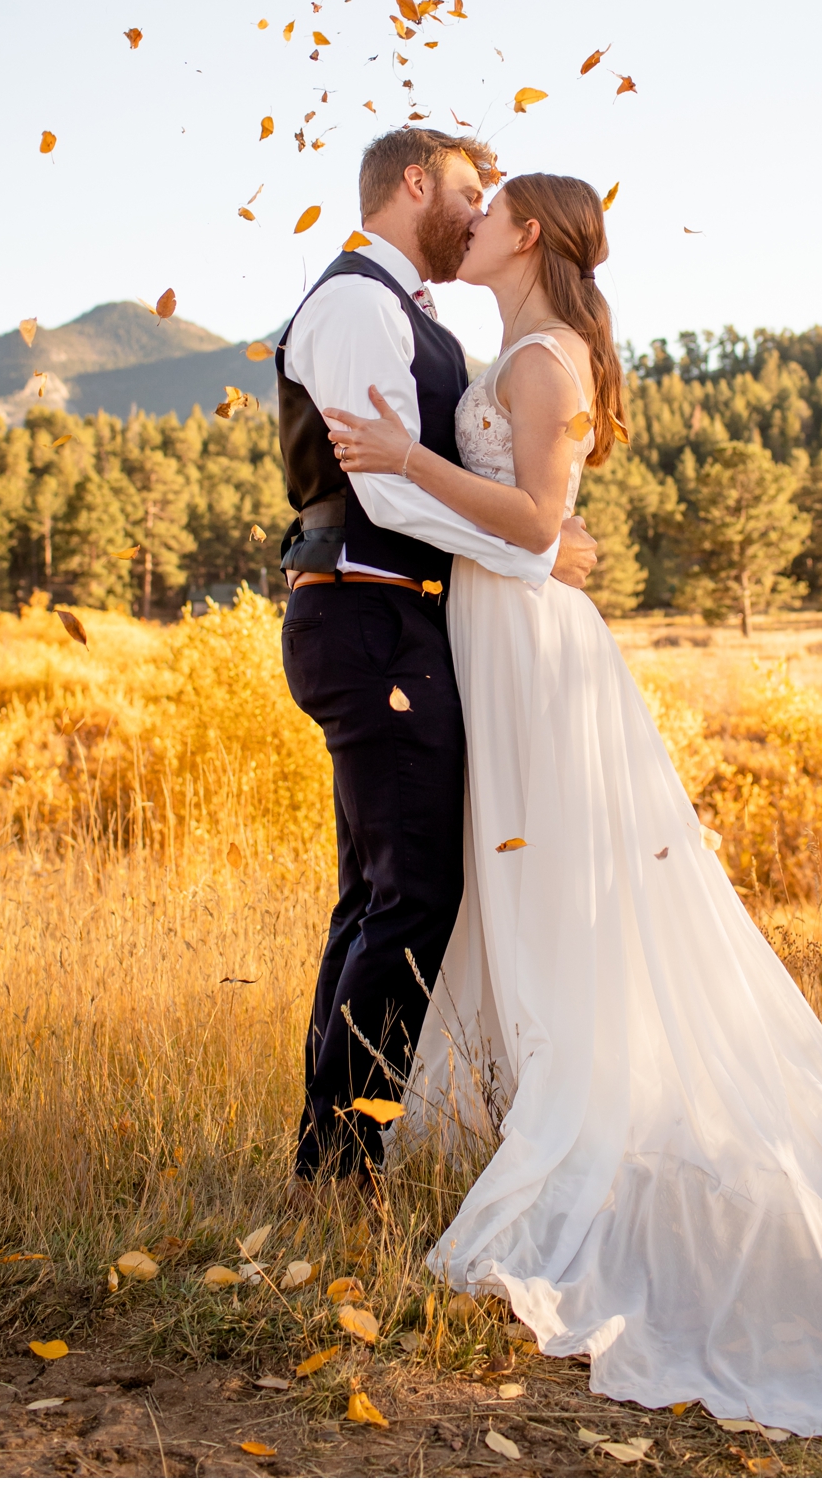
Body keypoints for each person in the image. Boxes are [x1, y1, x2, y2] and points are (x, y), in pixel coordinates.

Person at [319, 171, 822, 1436]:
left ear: (530, 236)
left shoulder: (547, 359)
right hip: (491, 634)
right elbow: (533, 527)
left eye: (494, 205)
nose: (475, 216)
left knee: (557, 892)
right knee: (505, 887)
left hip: (530, 649)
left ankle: (577, 1135)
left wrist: (404, 459)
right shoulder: (509, 346)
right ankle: (482, 1120)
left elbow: (539, 516)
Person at [274, 127, 599, 1190]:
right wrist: (537, 551)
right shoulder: (358, 305)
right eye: (467, 188)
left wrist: (539, 533)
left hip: (404, 618)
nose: (476, 209)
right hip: (366, 612)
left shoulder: (417, 318)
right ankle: (340, 1157)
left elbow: (474, 479)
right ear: (415, 184)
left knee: (379, 893)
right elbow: (390, 489)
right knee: (409, 895)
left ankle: (332, 1152)